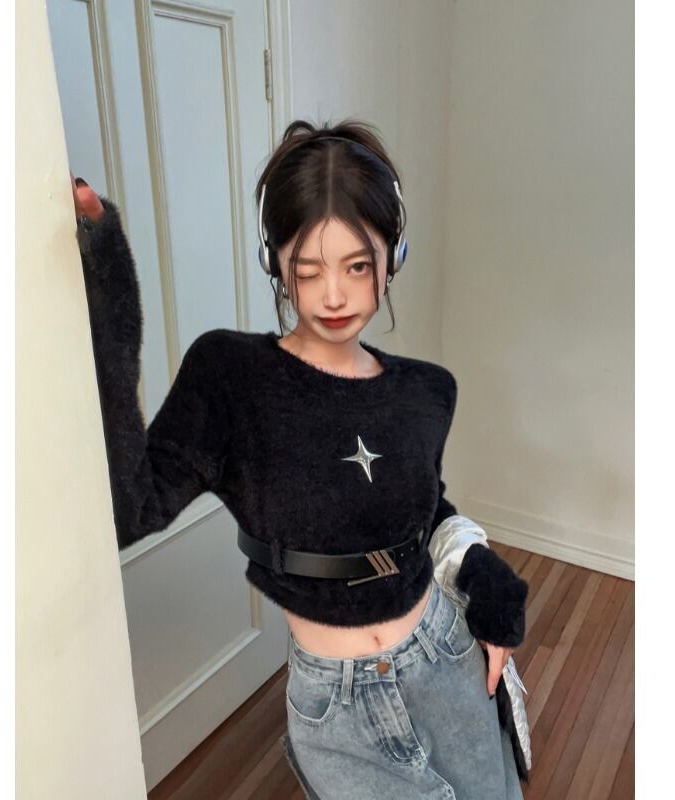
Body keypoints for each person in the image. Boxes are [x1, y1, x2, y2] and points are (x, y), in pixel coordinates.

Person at [71, 118, 529, 799]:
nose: (333, 295)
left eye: (357, 266)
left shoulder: (426, 391)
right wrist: (106, 288)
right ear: (274, 261)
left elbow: (421, 508)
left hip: (444, 658)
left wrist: (489, 588)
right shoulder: (231, 378)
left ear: (394, 255)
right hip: (334, 710)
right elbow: (129, 509)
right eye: (307, 270)